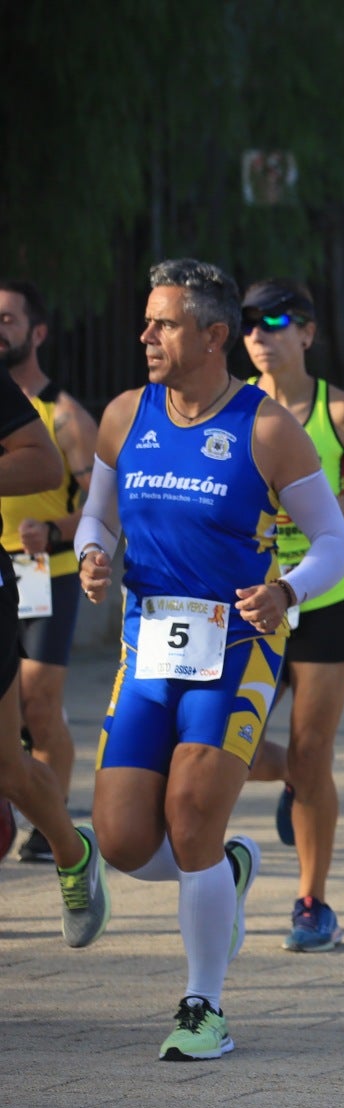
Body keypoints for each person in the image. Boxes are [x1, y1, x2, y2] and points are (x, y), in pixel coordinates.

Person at [77, 258, 344, 1058]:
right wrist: (95, 555)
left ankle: (204, 1005)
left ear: (213, 336)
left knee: (192, 816)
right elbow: (95, 518)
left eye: (163, 323)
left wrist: (290, 592)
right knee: (127, 840)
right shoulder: (126, 415)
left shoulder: (266, 427)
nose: (146, 336)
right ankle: (225, 873)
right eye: (147, 320)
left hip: (236, 647)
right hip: (148, 647)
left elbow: (335, 540)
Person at [229, 278, 344, 953]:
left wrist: (338, 516)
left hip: (324, 600)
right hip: (247, 604)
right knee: (217, 749)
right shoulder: (229, 408)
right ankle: (298, 787)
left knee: (312, 749)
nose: (261, 335)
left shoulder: (338, 411)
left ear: (307, 333)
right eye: (248, 324)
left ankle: (311, 901)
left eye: (275, 320)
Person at [0, 280, 98, 861]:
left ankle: (50, 822)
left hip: (44, 569)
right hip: (2, 561)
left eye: (9, 319)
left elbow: (103, 508)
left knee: (38, 703)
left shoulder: (63, 417)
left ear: (36, 332)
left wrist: (56, 530)